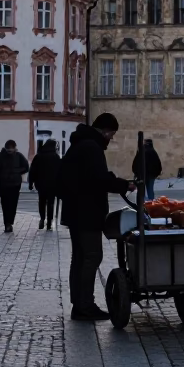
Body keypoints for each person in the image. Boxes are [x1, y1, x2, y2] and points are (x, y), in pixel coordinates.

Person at [58, 114, 136, 321]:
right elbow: (98, 179)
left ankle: (79, 304)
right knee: (92, 256)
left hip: (75, 211)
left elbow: (92, 175)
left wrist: (114, 180)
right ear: (105, 130)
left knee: (80, 257)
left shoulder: (79, 145)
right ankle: (86, 305)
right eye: (111, 134)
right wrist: (122, 185)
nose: (111, 139)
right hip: (86, 212)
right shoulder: (91, 148)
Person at [0, 140, 29, 233]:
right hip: (5, 184)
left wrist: (17, 172)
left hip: (14, 184)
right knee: (6, 204)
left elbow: (26, 167)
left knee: (12, 204)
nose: (10, 151)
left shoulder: (18, 156)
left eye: (12, 149)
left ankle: (9, 222)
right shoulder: (2, 156)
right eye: (9, 149)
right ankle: (7, 223)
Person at [28, 140, 60, 230]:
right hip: (53, 185)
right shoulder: (56, 157)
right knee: (51, 203)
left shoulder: (39, 156)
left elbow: (32, 171)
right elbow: (60, 172)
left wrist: (31, 183)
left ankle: (42, 218)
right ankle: (49, 222)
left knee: (42, 201)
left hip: (41, 184)